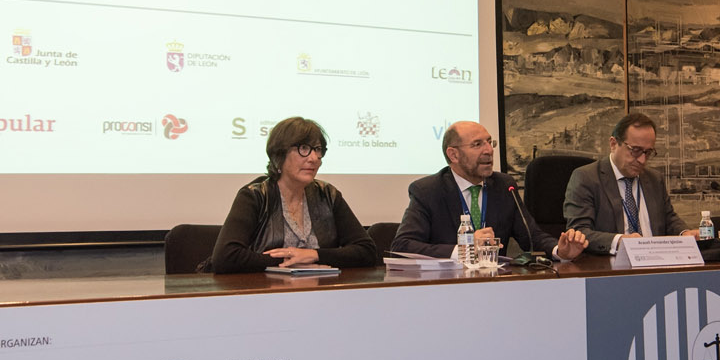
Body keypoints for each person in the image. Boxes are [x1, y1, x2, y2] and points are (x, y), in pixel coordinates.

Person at [391, 121, 588, 261]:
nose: (488, 150)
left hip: (495, 284)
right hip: (446, 288)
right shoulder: (428, 191)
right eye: (477, 144)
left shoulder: (504, 186)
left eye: (489, 142)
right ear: (453, 155)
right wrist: (464, 250)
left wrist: (559, 251)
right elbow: (402, 245)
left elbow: (532, 237)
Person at [209, 116, 380, 273]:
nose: (313, 158)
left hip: (321, 290)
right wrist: (290, 260)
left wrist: (314, 255)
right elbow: (225, 257)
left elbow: (367, 250)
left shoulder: (328, 195)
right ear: (280, 154)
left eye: (318, 149)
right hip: (265, 291)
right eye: (303, 148)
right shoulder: (255, 196)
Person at [563, 111, 694, 255]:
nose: (642, 160)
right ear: (613, 144)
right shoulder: (586, 178)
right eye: (635, 150)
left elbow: (669, 219)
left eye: (648, 152)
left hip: (656, 261)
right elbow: (579, 232)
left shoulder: (655, 179)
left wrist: (684, 233)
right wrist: (620, 240)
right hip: (612, 264)